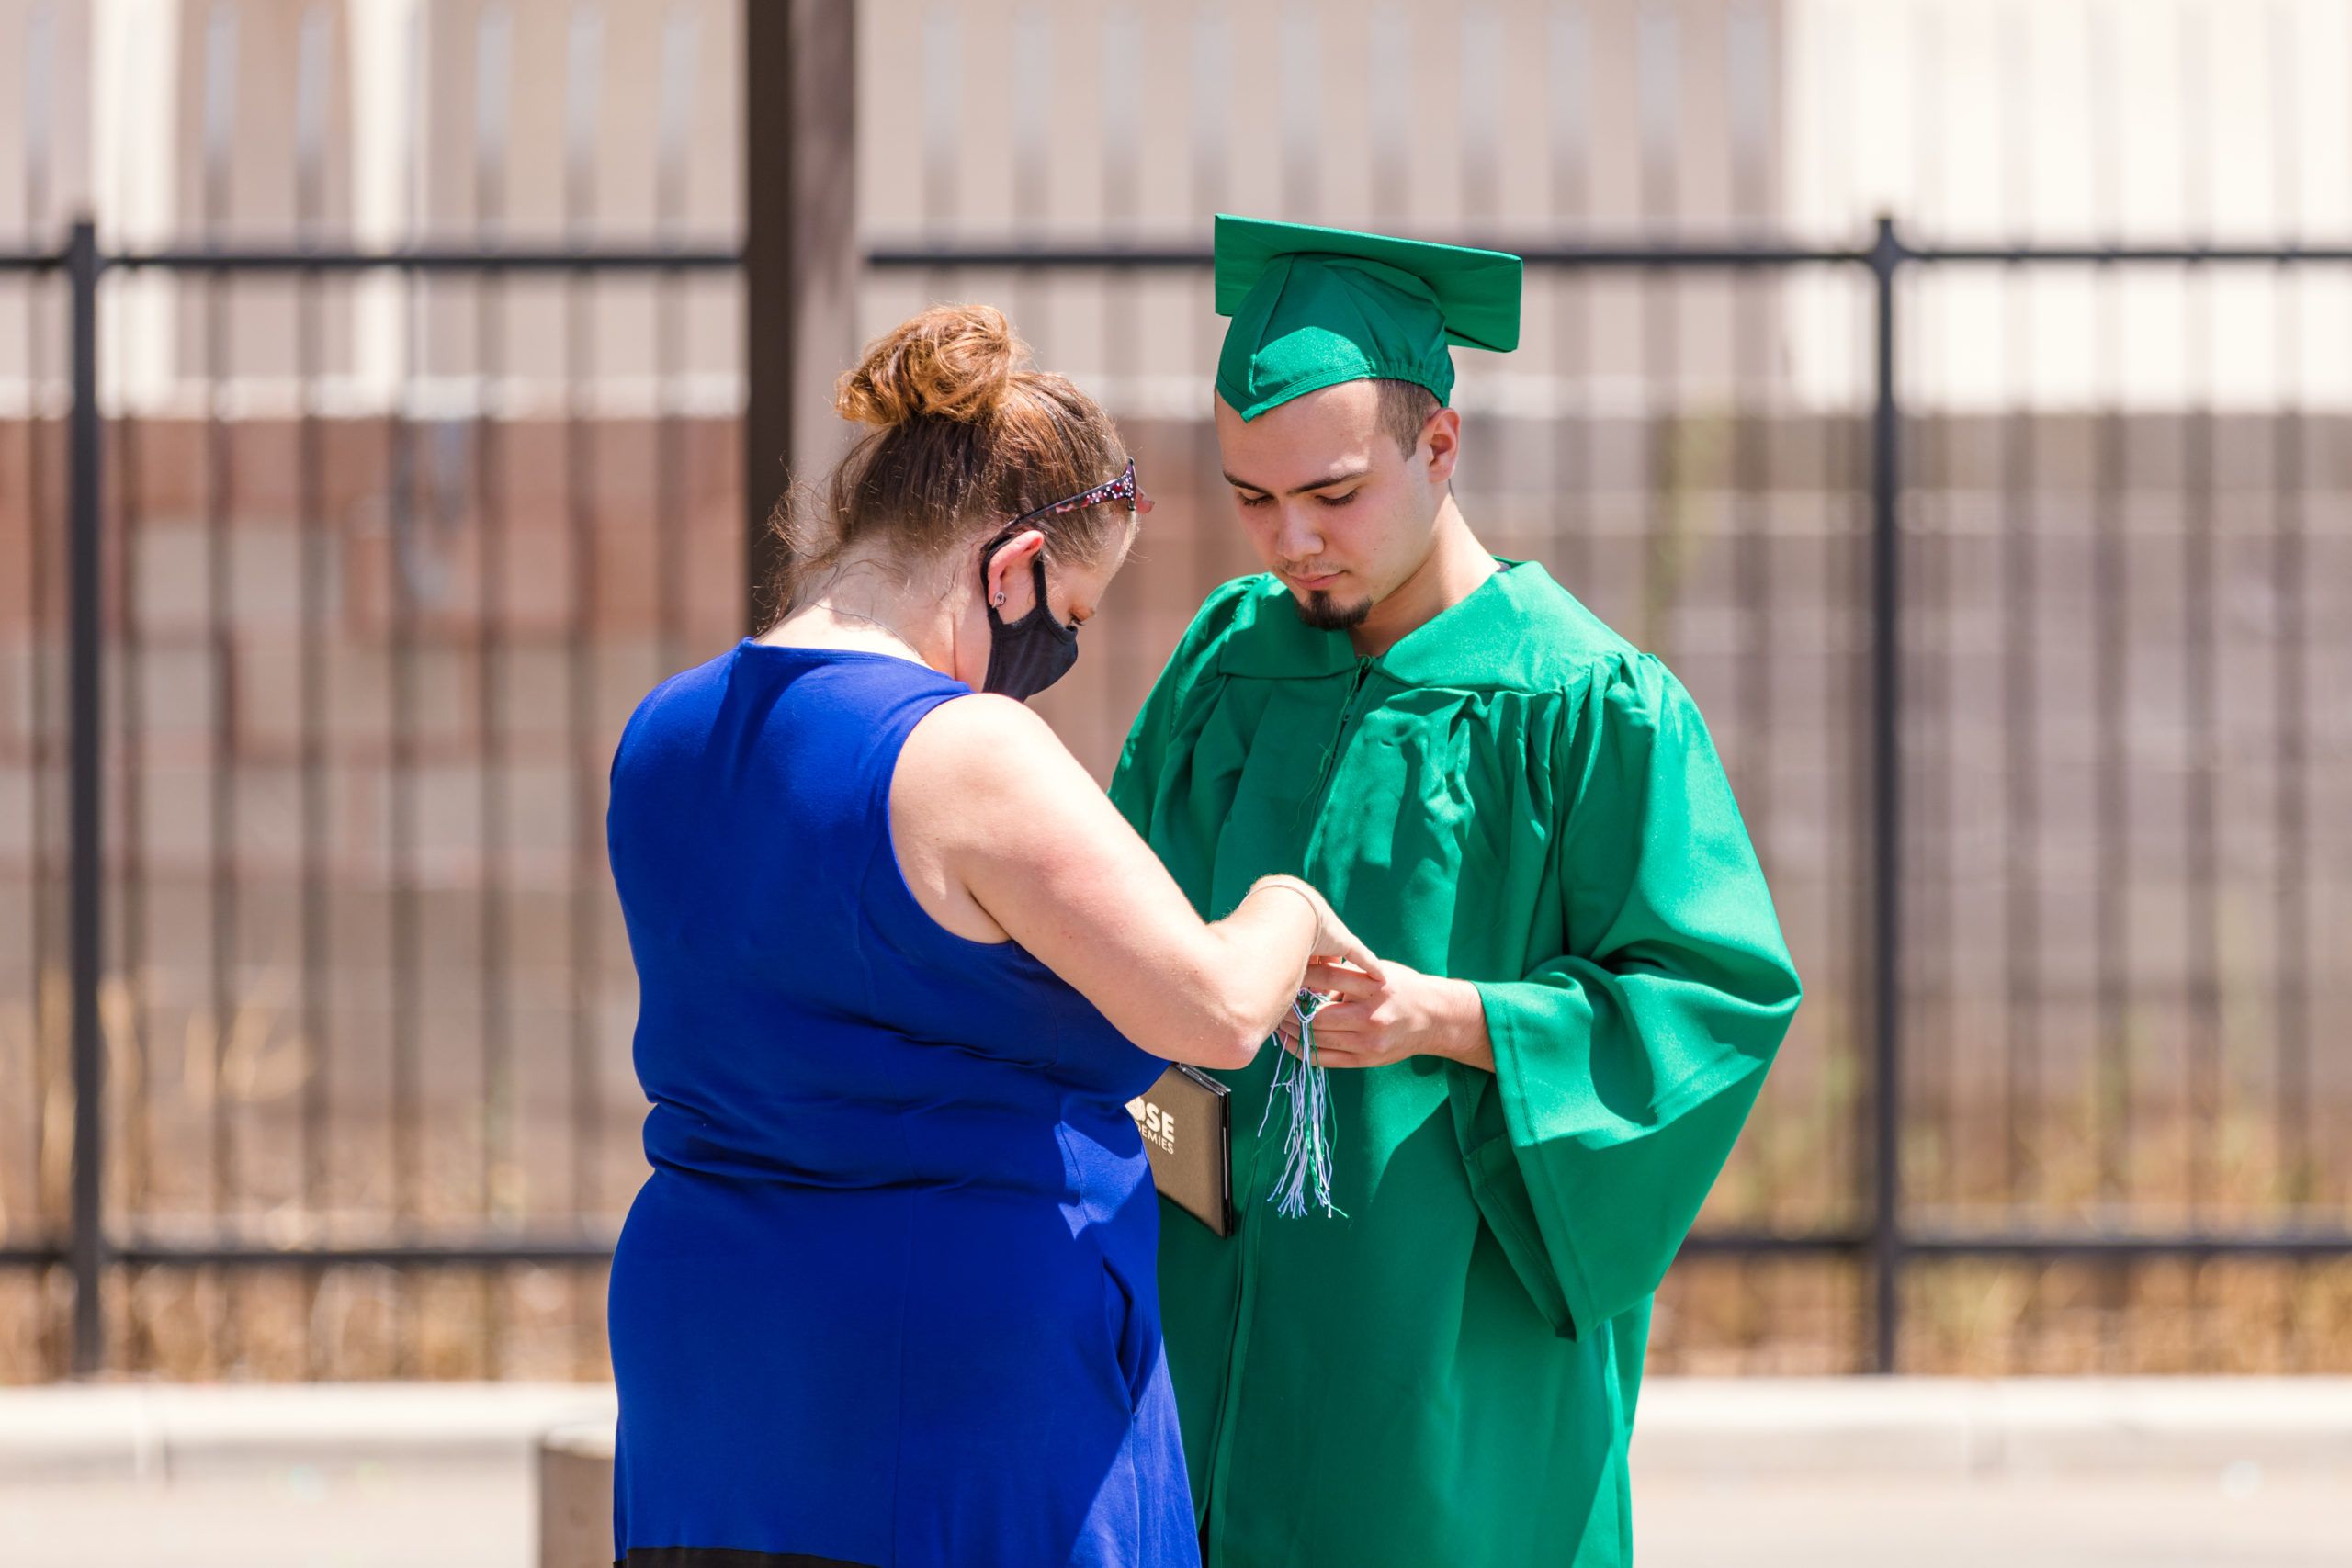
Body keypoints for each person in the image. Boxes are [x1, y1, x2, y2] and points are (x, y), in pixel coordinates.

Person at [605, 302, 1378, 1568]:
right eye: (1068, 609)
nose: (1057, 649)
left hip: (710, 1376)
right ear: (1008, 567)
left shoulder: (667, 731)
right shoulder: (966, 751)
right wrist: (1286, 907)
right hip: (946, 1398)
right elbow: (1216, 1011)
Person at [1108, 217, 1804, 1568]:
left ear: (1442, 448)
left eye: (1334, 493)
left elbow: (1714, 1001)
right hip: (1203, 1295)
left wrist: (1454, 1018)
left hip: (1442, 1321)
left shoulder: (1586, 703)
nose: (1291, 542)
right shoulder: (1223, 669)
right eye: (1253, 499)